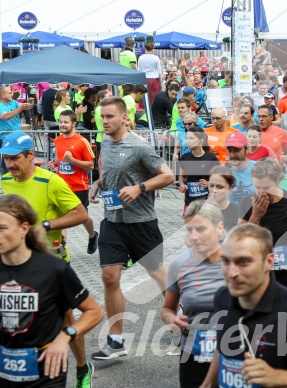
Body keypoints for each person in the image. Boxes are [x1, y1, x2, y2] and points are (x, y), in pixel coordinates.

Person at [0, 131, 96, 387]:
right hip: (13, 263)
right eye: (6, 158)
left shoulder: (50, 181)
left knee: (66, 319)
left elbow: (81, 214)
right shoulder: (3, 183)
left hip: (50, 261)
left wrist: (46, 224)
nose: (10, 164)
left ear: (31, 155)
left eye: (15, 158)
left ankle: (81, 368)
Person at [199, 223, 287, 388]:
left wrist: (276, 377)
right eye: (225, 261)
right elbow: (222, 349)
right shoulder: (222, 298)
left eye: (243, 262)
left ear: (269, 261)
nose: (232, 273)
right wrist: (207, 384)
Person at [89, 97, 174, 360]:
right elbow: (111, 172)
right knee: (109, 277)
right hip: (112, 222)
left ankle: (182, 323)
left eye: (109, 117)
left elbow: (168, 175)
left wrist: (140, 188)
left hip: (141, 224)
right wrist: (99, 183)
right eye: (102, 117)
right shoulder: (105, 142)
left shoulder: (139, 147)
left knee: (159, 275)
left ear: (124, 117)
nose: (104, 121)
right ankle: (116, 341)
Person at [161, 201, 226, 387]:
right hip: (194, 352)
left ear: (219, 228)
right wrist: (171, 319)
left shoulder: (238, 262)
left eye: (201, 229)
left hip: (234, 353)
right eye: (189, 230)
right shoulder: (179, 265)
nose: (194, 236)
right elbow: (167, 308)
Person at [239, 158, 287, 299]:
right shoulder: (247, 202)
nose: (261, 192)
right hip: (260, 277)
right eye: (257, 187)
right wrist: (256, 216)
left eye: (266, 188)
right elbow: (239, 239)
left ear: (278, 181)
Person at [46, 110, 98, 254]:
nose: (62, 125)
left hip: (78, 186)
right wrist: (55, 164)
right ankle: (63, 248)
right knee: (61, 217)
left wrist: (72, 161)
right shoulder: (58, 140)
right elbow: (61, 159)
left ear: (73, 124)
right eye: (61, 122)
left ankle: (93, 236)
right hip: (61, 184)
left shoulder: (82, 141)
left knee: (83, 217)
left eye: (66, 122)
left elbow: (90, 165)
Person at [178, 127, 220, 211]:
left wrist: (209, 183)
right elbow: (182, 177)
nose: (188, 141)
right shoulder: (185, 157)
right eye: (187, 138)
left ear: (201, 140)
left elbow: (219, 180)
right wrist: (182, 185)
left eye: (191, 138)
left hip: (207, 202)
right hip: (190, 202)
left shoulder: (211, 159)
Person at [225, 132, 256, 206]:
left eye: (237, 150)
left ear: (247, 149)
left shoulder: (259, 167)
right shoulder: (220, 171)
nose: (232, 155)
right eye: (229, 150)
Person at [208, 165, 239, 232]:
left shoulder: (238, 213)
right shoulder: (200, 211)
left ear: (231, 187)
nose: (214, 190)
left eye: (220, 187)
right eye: (211, 186)